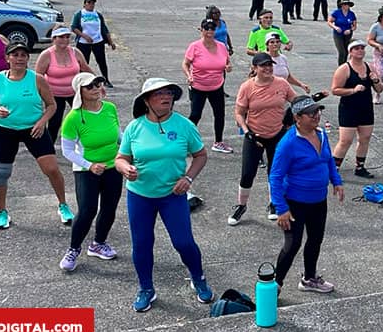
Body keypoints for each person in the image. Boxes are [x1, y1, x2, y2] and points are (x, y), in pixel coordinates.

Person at [115, 78, 212, 312]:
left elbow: (200, 155)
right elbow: (120, 158)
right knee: (142, 244)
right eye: (158, 94)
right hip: (140, 196)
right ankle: (146, 288)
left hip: (172, 195)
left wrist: (188, 178)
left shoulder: (184, 125)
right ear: (146, 101)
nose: (165, 97)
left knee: (183, 242)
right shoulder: (135, 127)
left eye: (169, 93)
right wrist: (125, 169)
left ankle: (198, 278)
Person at [0, 42, 71, 230]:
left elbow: (52, 105)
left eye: (23, 55)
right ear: (7, 58)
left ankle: (63, 205)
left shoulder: (37, 79)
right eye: (15, 55)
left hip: (33, 128)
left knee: (52, 169)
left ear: (28, 59)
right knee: (1, 173)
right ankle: (2, 211)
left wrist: (41, 122)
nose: (19, 58)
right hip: (5, 130)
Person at [269, 95, 344, 294]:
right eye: (311, 113)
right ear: (297, 117)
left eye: (318, 111)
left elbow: (328, 160)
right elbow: (275, 177)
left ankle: (309, 278)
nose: (316, 116)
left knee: (315, 239)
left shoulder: (321, 134)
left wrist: (336, 181)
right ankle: (275, 285)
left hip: (318, 200)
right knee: (292, 244)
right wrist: (281, 208)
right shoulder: (288, 143)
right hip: (295, 202)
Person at [58, 72, 122, 271]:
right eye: (90, 86)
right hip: (86, 170)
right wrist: (89, 165)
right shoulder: (74, 118)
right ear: (80, 91)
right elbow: (67, 150)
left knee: (110, 208)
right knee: (87, 210)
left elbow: (118, 135)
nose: (96, 88)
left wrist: (129, 152)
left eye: (98, 83)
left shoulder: (110, 108)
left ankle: (98, 244)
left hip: (113, 167)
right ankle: (74, 249)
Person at [230, 52, 298, 225]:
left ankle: (274, 203)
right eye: (263, 65)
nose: (268, 68)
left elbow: (296, 101)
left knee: (275, 173)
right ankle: (241, 205)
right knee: (247, 173)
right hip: (255, 136)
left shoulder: (281, 84)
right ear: (255, 68)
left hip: (277, 134)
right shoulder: (247, 87)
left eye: (270, 65)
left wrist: (310, 101)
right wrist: (246, 131)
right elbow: (238, 113)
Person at [331, 40, 383, 178]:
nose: (360, 50)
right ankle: (333, 169)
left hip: (366, 108)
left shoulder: (370, 67)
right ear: (350, 52)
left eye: (362, 48)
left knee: (365, 138)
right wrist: (353, 90)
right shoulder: (344, 69)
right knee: (345, 141)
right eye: (356, 48)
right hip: (348, 109)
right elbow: (335, 90)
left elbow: (380, 89)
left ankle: (360, 167)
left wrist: (376, 80)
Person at [34, 26, 93, 143]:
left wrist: (97, 83)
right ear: (54, 38)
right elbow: (38, 77)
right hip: (54, 94)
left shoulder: (75, 52)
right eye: (61, 37)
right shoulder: (46, 55)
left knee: (85, 117)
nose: (65, 40)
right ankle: (48, 149)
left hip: (74, 92)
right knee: (55, 123)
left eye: (67, 37)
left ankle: (88, 143)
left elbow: (85, 68)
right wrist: (37, 97)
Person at [184, 18, 234, 154]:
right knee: (195, 115)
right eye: (206, 28)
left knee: (219, 114)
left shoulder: (221, 46)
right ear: (201, 30)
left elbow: (227, 62)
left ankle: (218, 142)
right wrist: (189, 75)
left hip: (217, 86)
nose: (209, 31)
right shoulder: (195, 46)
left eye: (212, 28)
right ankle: (186, 143)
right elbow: (185, 63)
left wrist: (228, 67)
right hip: (198, 86)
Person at [70, 0, 116, 88]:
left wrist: (110, 41)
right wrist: (84, 36)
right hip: (83, 43)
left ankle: (106, 79)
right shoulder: (79, 14)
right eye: (89, 3)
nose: (91, 5)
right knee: (83, 62)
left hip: (97, 41)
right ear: (84, 4)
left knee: (101, 61)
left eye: (92, 3)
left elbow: (104, 28)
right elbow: (74, 27)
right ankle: (82, 80)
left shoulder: (98, 15)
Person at [328, 0, 357, 65]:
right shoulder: (336, 13)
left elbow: (354, 26)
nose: (346, 6)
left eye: (348, 5)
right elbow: (329, 22)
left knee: (346, 51)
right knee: (341, 51)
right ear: (342, 5)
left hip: (347, 34)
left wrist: (350, 30)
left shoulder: (351, 14)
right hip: (338, 34)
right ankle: (340, 66)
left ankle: (344, 65)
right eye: (345, 4)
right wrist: (335, 27)